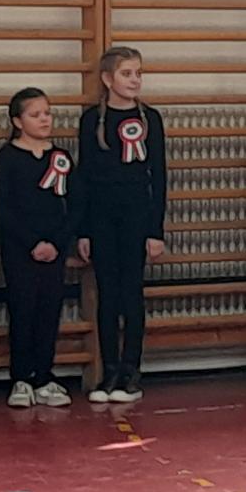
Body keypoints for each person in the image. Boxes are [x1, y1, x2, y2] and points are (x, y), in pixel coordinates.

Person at [74, 47, 168, 404]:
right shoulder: (91, 120)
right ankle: (108, 370)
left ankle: (131, 370)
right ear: (107, 78)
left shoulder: (151, 119)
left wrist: (155, 230)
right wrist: (83, 230)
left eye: (138, 73)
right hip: (101, 217)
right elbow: (84, 177)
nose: (135, 80)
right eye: (127, 73)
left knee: (131, 293)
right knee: (107, 294)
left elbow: (159, 176)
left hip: (136, 217)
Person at [0, 88, 75, 409]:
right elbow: (3, 207)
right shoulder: (8, 157)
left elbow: (75, 204)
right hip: (20, 248)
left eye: (47, 113)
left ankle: (44, 376)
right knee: (23, 309)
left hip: (54, 249)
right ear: (17, 121)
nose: (44, 120)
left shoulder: (61, 157)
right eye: (35, 114)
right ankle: (21, 378)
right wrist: (32, 242)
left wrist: (57, 242)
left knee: (49, 310)